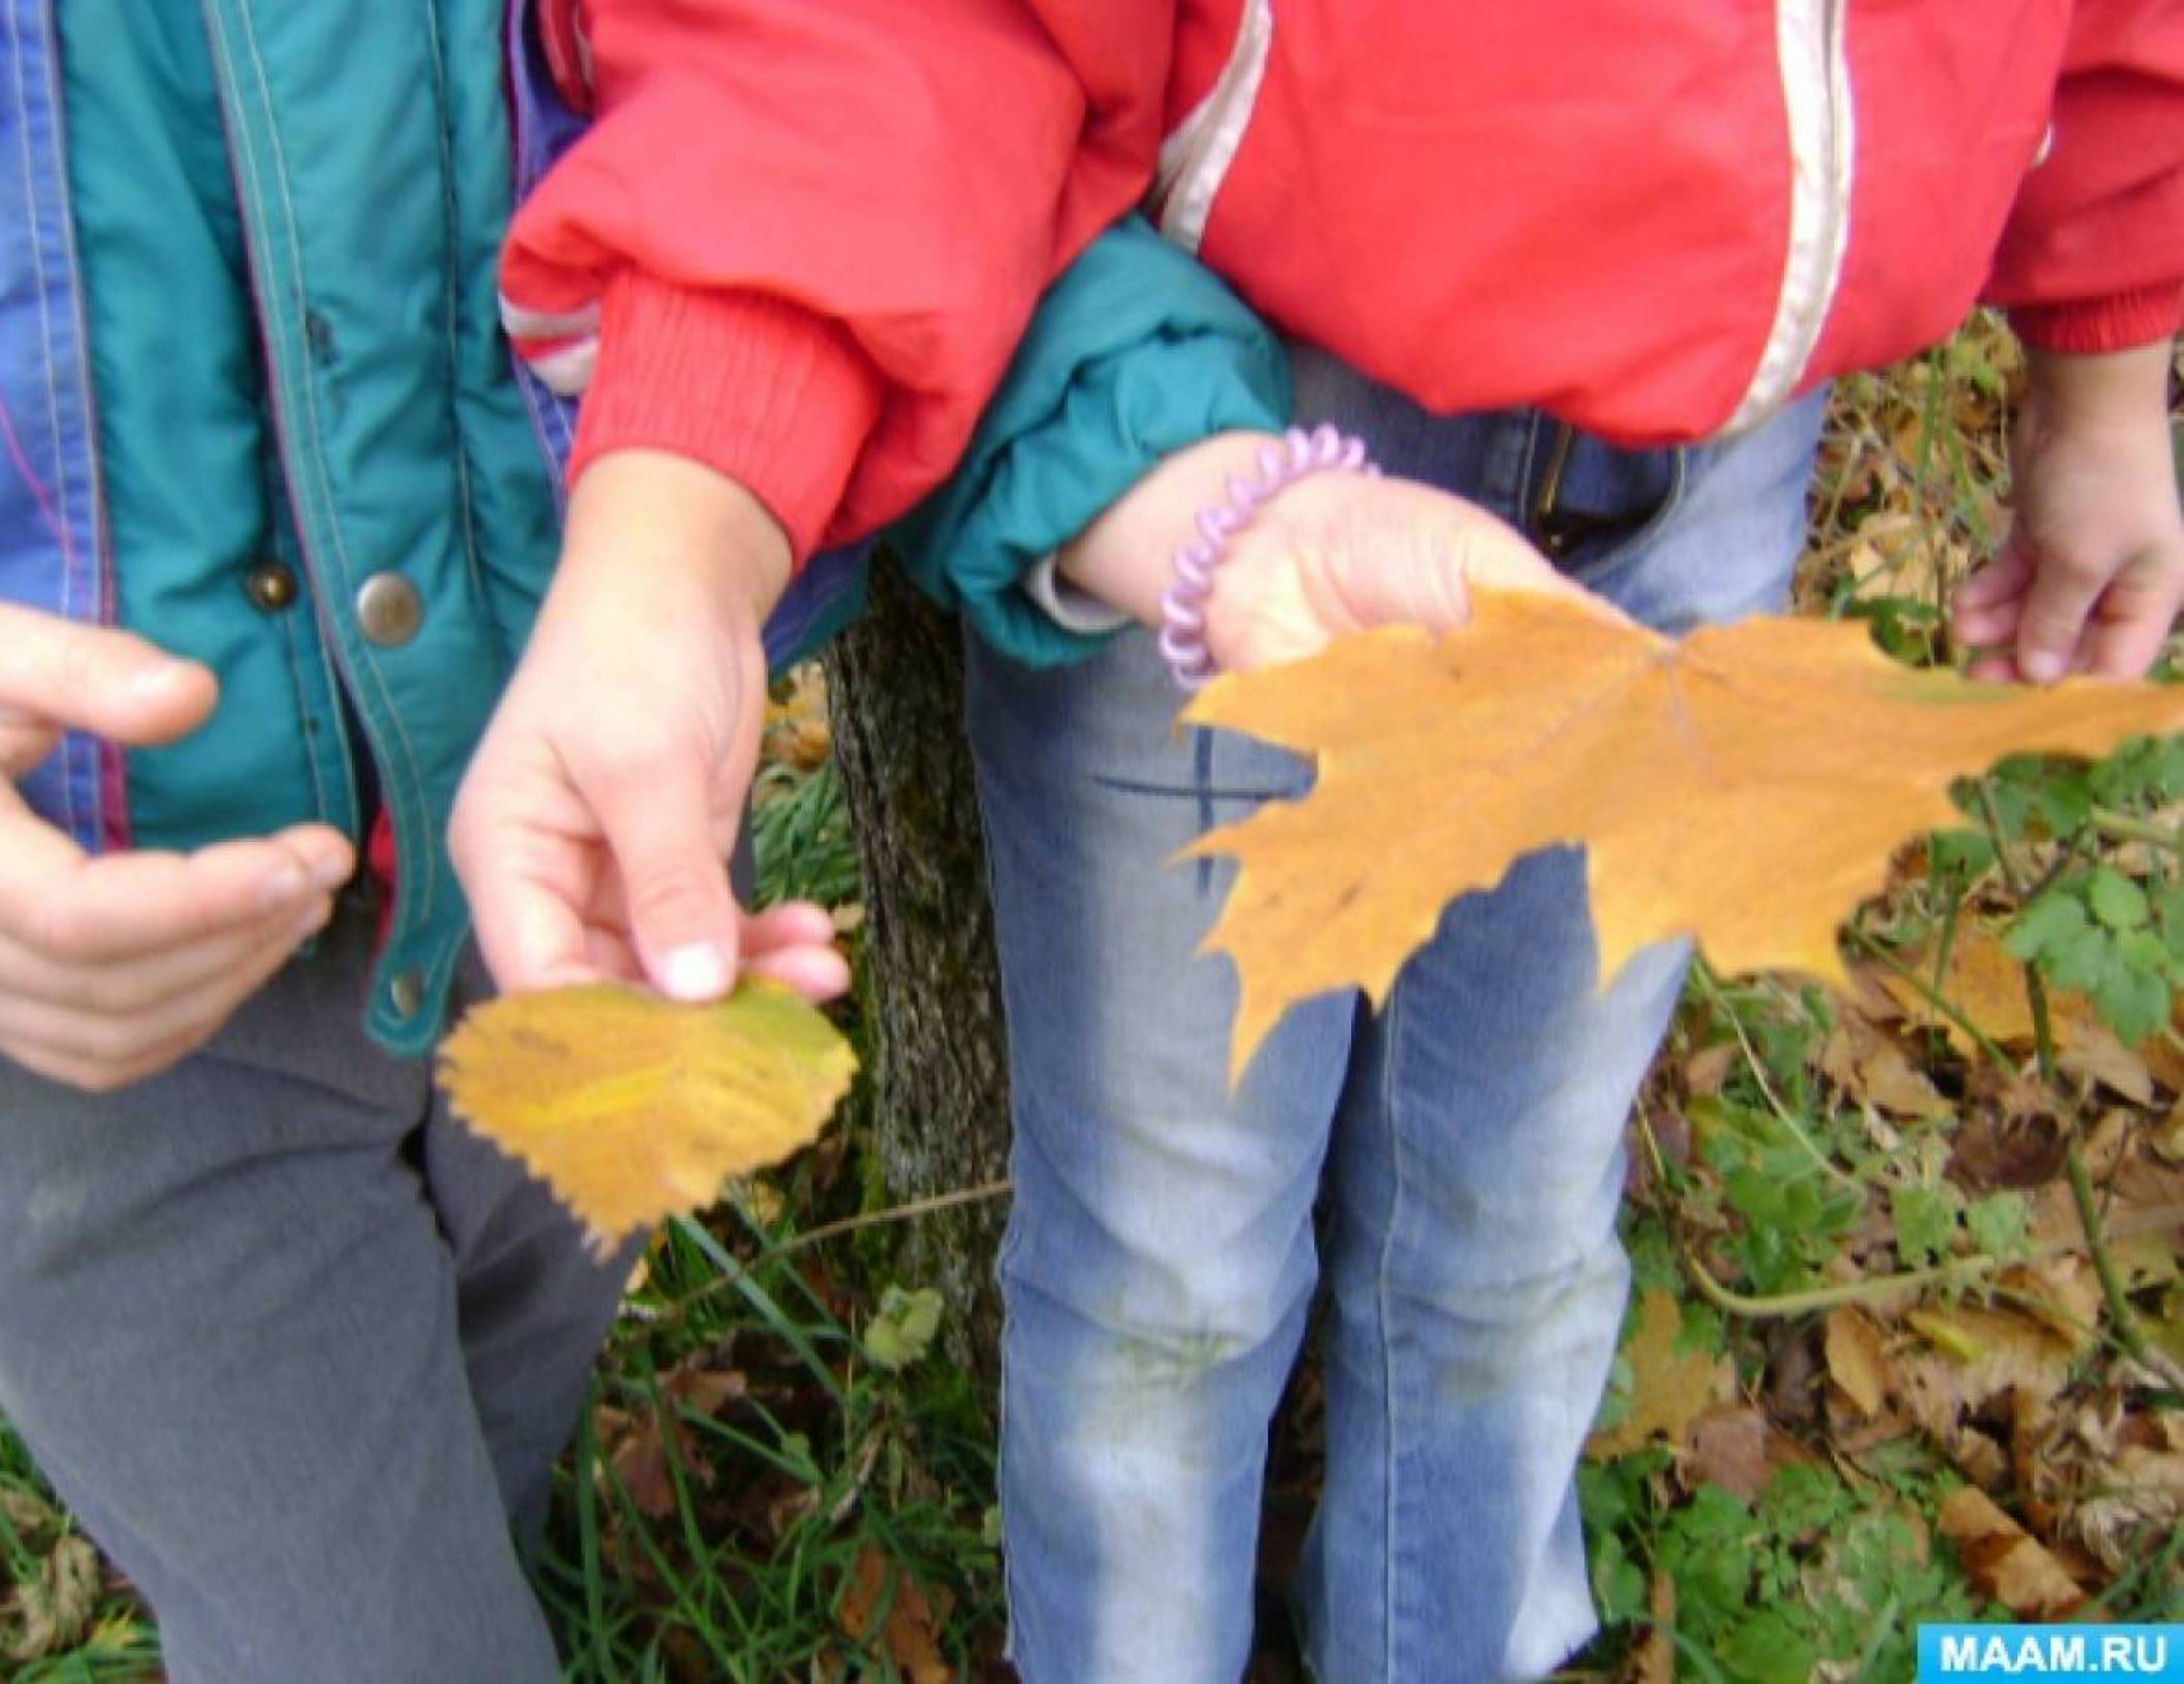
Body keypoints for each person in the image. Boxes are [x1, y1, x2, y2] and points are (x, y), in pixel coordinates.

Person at [877, 6, 2184, 1680]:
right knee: (1162, 1275)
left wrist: (2105, 364)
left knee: (1516, 1226)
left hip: (1705, 452)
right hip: (1209, 422)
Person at [0, 3, 1140, 1678]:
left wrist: (687, 523)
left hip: (574, 841)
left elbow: (862, 52)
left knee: (480, 1436)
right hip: (86, 993)